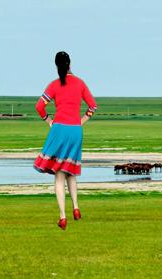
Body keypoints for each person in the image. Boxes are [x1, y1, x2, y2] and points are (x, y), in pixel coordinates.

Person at [34, 51, 97, 230]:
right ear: (70, 64)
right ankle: (76, 207)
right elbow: (93, 106)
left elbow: (39, 106)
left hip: (59, 129)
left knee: (59, 175)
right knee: (71, 170)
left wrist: (48, 120)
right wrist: (81, 121)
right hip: (76, 130)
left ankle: (63, 217)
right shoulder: (80, 83)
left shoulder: (54, 85)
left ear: (56, 66)